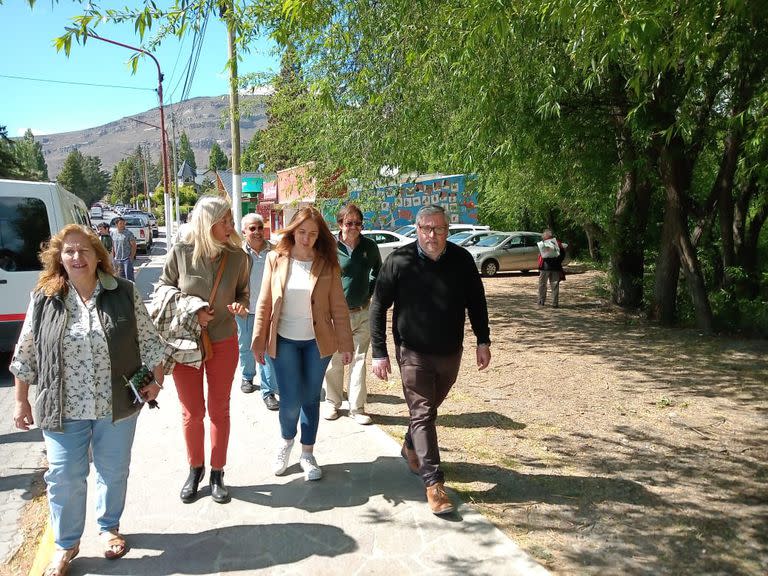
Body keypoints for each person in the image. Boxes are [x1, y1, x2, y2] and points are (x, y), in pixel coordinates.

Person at [10, 224, 165, 576]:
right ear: (58, 258)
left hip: (116, 403)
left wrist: (156, 379)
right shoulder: (44, 298)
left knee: (113, 471)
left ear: (98, 255)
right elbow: (26, 353)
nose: (77, 257)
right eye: (69, 251)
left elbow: (149, 338)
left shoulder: (122, 292)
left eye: (84, 250)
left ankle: (109, 526)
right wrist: (21, 401)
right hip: (62, 406)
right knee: (64, 474)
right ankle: (66, 545)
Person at [370, 205, 491, 515]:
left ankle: (411, 444)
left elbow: (476, 302)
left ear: (447, 230)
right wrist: (380, 352)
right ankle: (434, 483)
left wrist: (482, 339)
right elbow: (378, 306)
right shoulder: (399, 260)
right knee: (423, 411)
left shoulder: (462, 260)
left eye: (438, 229)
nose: (432, 235)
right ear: (417, 229)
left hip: (450, 351)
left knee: (429, 407)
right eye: (426, 228)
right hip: (412, 352)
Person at [156, 195, 249, 504]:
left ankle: (217, 472)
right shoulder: (181, 252)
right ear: (206, 222)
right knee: (192, 412)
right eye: (223, 220)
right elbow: (162, 290)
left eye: (230, 220)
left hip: (223, 340)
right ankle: (195, 469)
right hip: (185, 342)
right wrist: (192, 308)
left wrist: (241, 305)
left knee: (219, 410)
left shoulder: (238, 256)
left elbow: (243, 293)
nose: (230, 226)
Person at [252, 207, 354, 482]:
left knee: (310, 399)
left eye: (312, 233)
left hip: (315, 345)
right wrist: (258, 342)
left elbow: (339, 307)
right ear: (292, 231)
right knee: (290, 401)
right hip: (283, 341)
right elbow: (263, 303)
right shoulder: (276, 258)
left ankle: (307, 453)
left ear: (319, 235)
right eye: (301, 232)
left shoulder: (327, 263)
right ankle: (286, 441)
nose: (306, 238)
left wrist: (346, 344)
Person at [322, 203, 382, 425]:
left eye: (358, 223)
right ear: (340, 224)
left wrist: (369, 291)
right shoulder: (330, 248)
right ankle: (332, 402)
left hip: (362, 312)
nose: (354, 227)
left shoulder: (369, 246)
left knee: (358, 360)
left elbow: (378, 270)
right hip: (336, 315)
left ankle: (357, 408)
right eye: (349, 223)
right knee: (335, 360)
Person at [237, 213, 280, 411]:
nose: (256, 232)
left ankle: (268, 390)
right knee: (245, 347)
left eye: (259, 228)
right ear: (244, 232)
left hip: (268, 311)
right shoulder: (237, 254)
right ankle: (247, 376)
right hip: (245, 310)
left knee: (266, 351)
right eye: (251, 229)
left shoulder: (275, 251)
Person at [537, 228, 566, 308]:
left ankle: (541, 301)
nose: (542, 237)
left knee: (542, 284)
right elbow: (563, 255)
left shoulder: (543, 244)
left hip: (544, 268)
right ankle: (555, 303)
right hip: (555, 268)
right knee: (555, 286)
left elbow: (540, 256)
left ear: (545, 236)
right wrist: (558, 262)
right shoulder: (558, 243)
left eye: (543, 235)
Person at [111, 217, 137, 281]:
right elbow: (113, 246)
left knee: (129, 277)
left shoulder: (128, 233)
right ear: (116, 225)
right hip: (117, 259)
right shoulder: (113, 233)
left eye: (124, 223)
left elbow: (134, 245)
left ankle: (132, 290)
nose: (123, 225)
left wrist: (131, 257)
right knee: (120, 279)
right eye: (120, 223)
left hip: (126, 259)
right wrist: (113, 257)